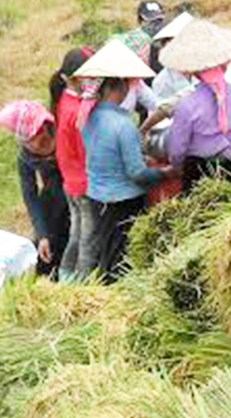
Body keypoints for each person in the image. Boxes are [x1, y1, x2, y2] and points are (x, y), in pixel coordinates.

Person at [76, 41, 178, 282]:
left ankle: (107, 290)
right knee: (122, 259)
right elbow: (137, 173)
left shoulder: (89, 118)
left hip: (97, 196)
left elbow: (108, 155)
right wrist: (166, 172)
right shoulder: (123, 124)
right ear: (118, 86)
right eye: (127, 84)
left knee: (106, 251)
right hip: (123, 201)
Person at [156, 20, 231, 181]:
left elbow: (177, 149)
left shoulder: (187, 104)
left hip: (199, 173)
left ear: (193, 69)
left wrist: (176, 166)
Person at [0, 100, 69, 278]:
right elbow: (30, 195)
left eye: (37, 138)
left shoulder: (65, 134)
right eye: (27, 142)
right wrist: (42, 235)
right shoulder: (25, 157)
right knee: (48, 248)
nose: (34, 146)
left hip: (81, 188)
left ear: (45, 127)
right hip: (54, 197)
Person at [49, 47, 97, 280]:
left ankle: (66, 276)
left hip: (70, 181)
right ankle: (84, 284)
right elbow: (86, 151)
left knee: (77, 234)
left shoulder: (64, 101)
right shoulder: (77, 111)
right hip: (84, 184)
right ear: (75, 79)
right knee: (88, 239)